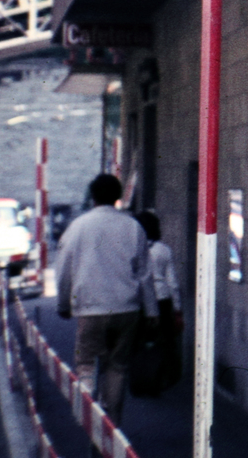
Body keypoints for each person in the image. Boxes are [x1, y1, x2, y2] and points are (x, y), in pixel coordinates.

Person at [55, 174, 156, 419]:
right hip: (126, 309)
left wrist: (64, 303)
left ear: (93, 197)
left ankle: (89, 414)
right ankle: (113, 425)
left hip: (90, 309)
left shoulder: (78, 226)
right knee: (117, 366)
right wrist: (152, 311)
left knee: (86, 362)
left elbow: (64, 268)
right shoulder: (133, 226)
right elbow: (145, 273)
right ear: (118, 196)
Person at [134, 211, 183, 393]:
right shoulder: (163, 250)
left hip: (139, 301)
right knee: (165, 341)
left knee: (141, 341)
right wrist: (177, 309)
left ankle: (141, 378)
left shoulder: (133, 248)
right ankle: (163, 377)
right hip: (162, 299)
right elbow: (173, 283)